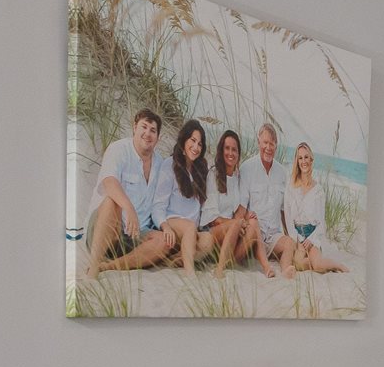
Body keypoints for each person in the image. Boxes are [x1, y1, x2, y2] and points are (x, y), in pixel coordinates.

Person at [85, 108, 180, 273]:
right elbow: (109, 182)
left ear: (158, 138)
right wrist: (128, 208)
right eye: (144, 127)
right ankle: (94, 267)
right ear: (134, 127)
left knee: (164, 241)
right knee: (111, 201)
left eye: (153, 130)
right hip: (106, 228)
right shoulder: (119, 149)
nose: (147, 134)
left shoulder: (160, 164)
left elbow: (162, 201)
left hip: (136, 235)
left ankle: (109, 266)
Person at [278, 141, 345, 273]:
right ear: (297, 161)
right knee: (298, 264)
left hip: (313, 235)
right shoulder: (291, 187)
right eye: (300, 158)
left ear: (311, 159)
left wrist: (311, 239)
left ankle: (337, 265)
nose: (304, 161)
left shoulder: (318, 190)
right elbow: (288, 219)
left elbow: (321, 223)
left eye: (306, 157)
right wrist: (298, 239)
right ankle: (315, 263)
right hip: (297, 235)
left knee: (319, 265)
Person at [237, 122, 288, 279]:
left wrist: (289, 233)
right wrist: (245, 219)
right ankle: (266, 266)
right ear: (258, 142)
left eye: (272, 144)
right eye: (265, 142)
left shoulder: (282, 172)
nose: (268, 147)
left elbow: (283, 210)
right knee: (254, 223)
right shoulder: (247, 168)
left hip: (273, 235)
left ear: (276, 146)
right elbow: (241, 207)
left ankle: (286, 271)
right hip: (253, 235)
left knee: (289, 244)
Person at [201, 129, 256, 270]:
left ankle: (229, 262)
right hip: (213, 232)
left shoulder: (237, 177)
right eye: (227, 148)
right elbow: (212, 219)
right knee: (237, 224)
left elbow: (237, 208)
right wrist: (237, 223)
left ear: (238, 154)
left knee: (253, 227)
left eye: (234, 150)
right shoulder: (214, 175)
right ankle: (220, 269)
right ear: (221, 150)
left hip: (231, 234)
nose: (230, 153)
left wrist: (246, 218)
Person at [161, 118, 211, 271]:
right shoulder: (170, 164)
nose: (196, 147)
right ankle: (190, 275)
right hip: (173, 222)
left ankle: (174, 260)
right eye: (193, 140)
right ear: (184, 139)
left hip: (191, 230)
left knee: (208, 240)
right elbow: (158, 204)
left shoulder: (200, 170)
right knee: (189, 227)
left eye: (200, 144)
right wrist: (165, 226)